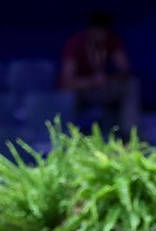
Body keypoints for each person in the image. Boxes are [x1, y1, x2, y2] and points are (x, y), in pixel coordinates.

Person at [60, 10, 140, 138]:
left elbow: (125, 70)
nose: (100, 36)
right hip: (81, 91)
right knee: (67, 95)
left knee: (131, 84)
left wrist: (110, 77)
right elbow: (66, 82)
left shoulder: (111, 41)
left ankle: (128, 136)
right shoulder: (76, 43)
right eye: (97, 32)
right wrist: (90, 81)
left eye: (103, 32)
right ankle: (67, 136)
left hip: (102, 88)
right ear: (90, 30)